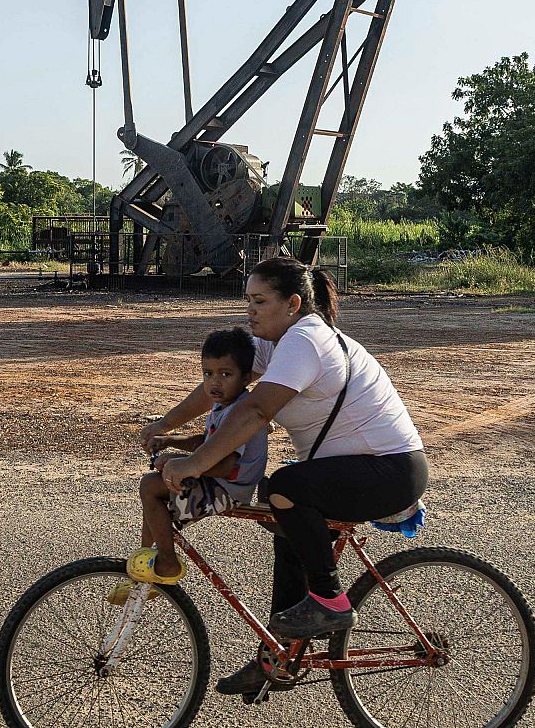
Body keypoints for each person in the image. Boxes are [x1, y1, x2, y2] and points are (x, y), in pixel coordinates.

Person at [142, 256, 427, 695]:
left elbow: (257, 409)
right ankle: (279, 656)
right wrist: (164, 425)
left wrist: (193, 464)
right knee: (284, 516)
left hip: (389, 470)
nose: (249, 311)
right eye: (247, 301)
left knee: (287, 487)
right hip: (360, 469)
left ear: (293, 304)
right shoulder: (276, 342)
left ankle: (331, 601)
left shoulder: (305, 340)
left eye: (259, 301)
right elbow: (223, 386)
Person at [113, 326, 269, 604]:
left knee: (151, 486)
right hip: (219, 483)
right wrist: (171, 440)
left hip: (228, 489)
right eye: (207, 374)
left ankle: (167, 564)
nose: (214, 383)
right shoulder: (226, 405)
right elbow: (206, 444)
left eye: (225, 374)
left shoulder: (242, 411)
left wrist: (180, 462)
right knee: (156, 496)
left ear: (246, 377)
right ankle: (147, 568)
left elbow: (224, 465)